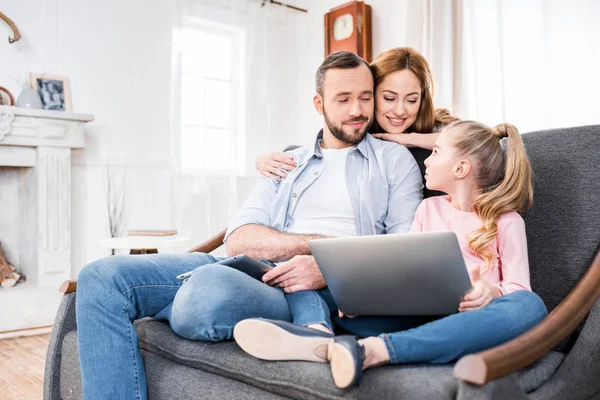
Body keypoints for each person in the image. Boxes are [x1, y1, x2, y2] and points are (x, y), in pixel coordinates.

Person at [75, 51, 424, 399]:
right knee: (102, 278)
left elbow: (401, 251)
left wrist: (331, 266)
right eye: (343, 99)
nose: (356, 110)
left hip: (315, 284)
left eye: (365, 97)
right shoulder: (288, 162)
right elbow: (240, 239)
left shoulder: (393, 161)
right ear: (319, 103)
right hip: (245, 266)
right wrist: (323, 246)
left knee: (206, 294)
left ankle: (181, 297)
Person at [233, 120, 548, 389]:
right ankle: (315, 332)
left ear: (461, 168)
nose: (426, 160)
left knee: (530, 307)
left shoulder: (506, 221)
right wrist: (366, 294)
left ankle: (375, 351)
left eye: (435, 152)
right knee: (310, 274)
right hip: (413, 313)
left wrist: (490, 291)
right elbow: (405, 269)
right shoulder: (429, 208)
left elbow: (519, 289)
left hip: (470, 321)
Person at [255, 47, 459, 187]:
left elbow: (486, 140)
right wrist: (263, 160)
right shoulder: (356, 130)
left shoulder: (440, 128)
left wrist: (410, 138)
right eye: (389, 98)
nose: (399, 110)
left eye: (412, 100)